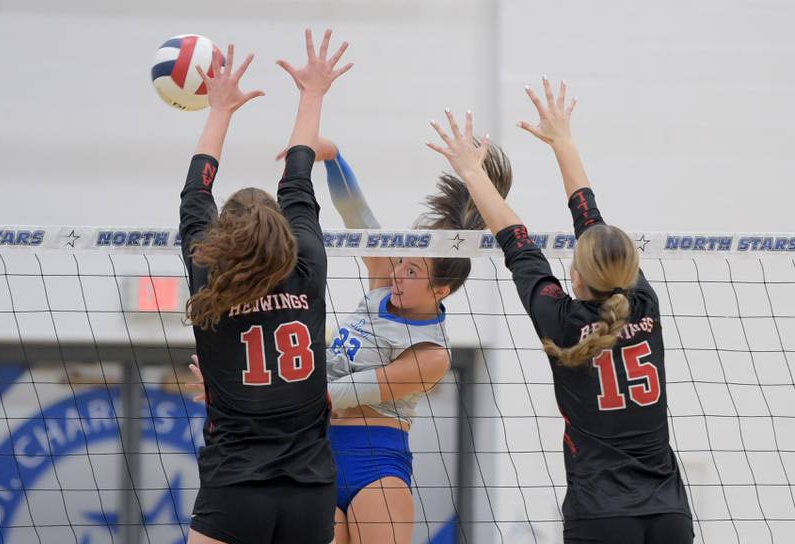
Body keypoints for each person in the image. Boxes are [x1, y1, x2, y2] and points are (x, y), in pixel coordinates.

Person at [188, 136, 511, 544]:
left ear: (440, 291)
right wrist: (334, 159)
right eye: (401, 264)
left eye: (412, 272)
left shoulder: (432, 354)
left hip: (373, 463)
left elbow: (343, 393)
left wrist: (235, 387)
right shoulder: (382, 287)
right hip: (314, 458)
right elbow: (357, 217)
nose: (397, 274)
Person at [426, 80, 694, 543]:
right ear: (628, 268)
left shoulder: (561, 321)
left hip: (600, 513)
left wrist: (473, 172)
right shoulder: (643, 300)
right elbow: (590, 219)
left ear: (575, 275)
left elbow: (517, 240)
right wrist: (565, 141)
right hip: (669, 513)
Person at [180, 29, 352, 544]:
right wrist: (313, 95)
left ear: (221, 238)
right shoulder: (308, 265)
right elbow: (298, 176)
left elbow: (195, 192)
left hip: (236, 486)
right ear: (282, 230)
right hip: (311, 489)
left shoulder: (209, 278)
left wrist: (218, 111)